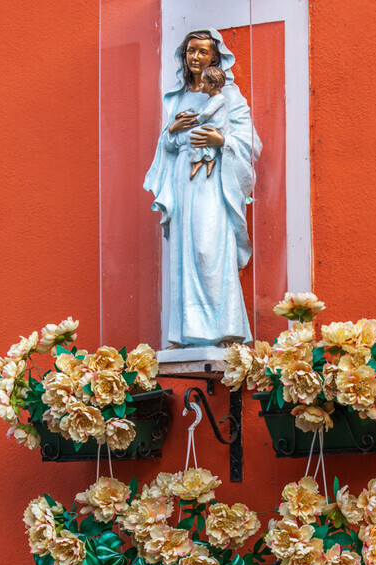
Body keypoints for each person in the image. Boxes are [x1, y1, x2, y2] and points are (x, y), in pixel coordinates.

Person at [144, 29, 261, 349]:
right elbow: (169, 145)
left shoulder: (229, 96)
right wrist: (172, 131)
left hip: (213, 182)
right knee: (184, 253)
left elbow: (251, 143)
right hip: (183, 179)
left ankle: (227, 329)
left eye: (202, 52)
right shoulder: (179, 97)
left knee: (209, 249)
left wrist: (220, 140)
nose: (195, 57)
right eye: (190, 51)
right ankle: (185, 335)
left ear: (214, 58)